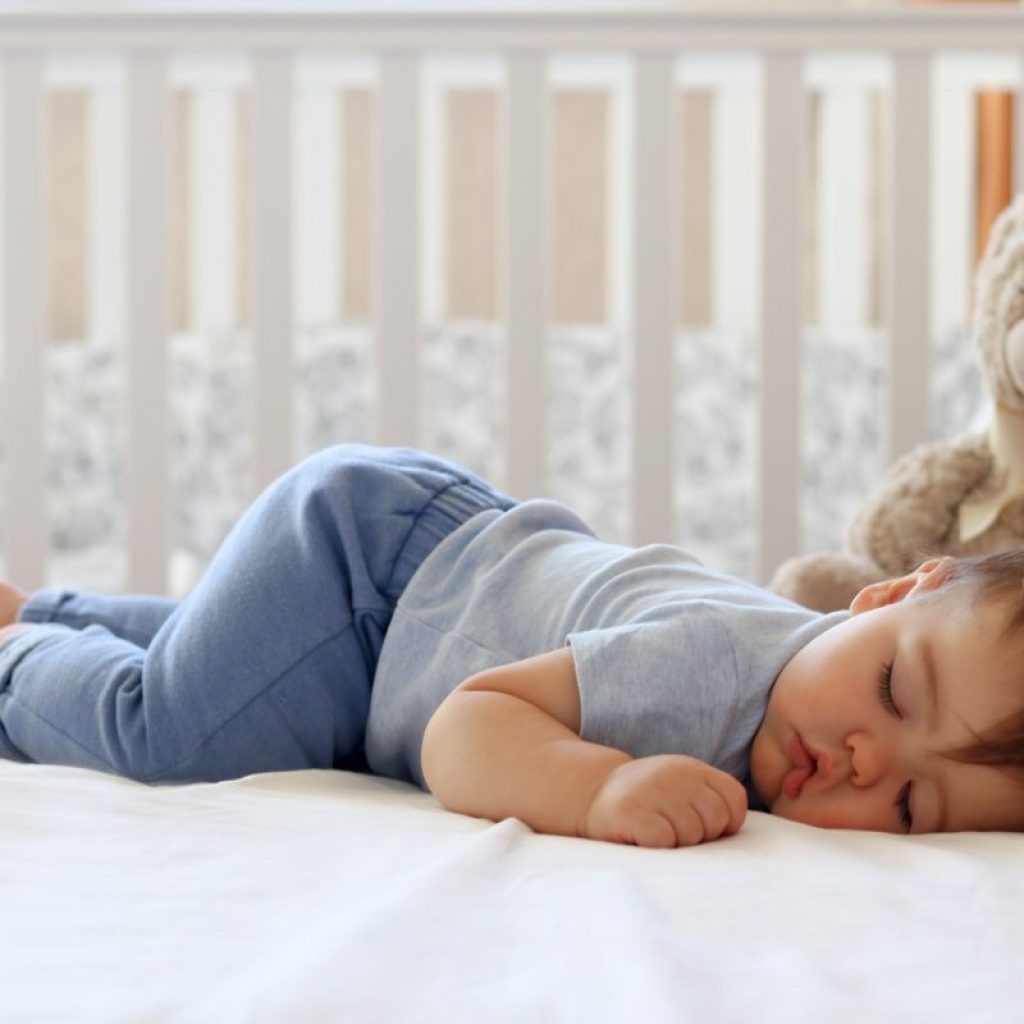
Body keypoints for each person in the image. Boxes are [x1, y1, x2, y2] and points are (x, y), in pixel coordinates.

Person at [1, 444, 1023, 849]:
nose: (863, 759)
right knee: (176, 734)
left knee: (241, 676)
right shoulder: (709, 665)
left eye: (907, 804)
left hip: (412, 594)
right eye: (893, 688)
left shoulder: (804, 711)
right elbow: (468, 724)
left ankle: (49, 607)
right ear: (882, 593)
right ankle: (13, 649)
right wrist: (597, 790)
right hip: (363, 575)